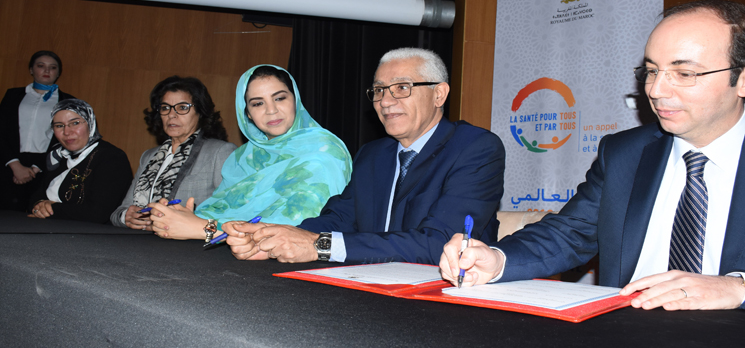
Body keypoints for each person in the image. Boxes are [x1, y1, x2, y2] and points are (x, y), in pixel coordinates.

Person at [440, 0, 745, 311]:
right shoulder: (625, 153)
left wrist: (738, 287)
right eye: (652, 71)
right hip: (624, 327)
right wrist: (497, 260)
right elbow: (569, 234)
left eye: (684, 73)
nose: (655, 90)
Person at [223, 48, 505, 265]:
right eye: (379, 90)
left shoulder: (475, 148)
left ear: (439, 94)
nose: (385, 101)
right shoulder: (373, 154)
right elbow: (339, 219)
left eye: (402, 88)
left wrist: (319, 246)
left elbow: (442, 243)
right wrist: (276, 238)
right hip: (366, 289)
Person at [146, 65, 352, 241]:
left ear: (296, 100)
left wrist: (204, 229)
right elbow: (220, 211)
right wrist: (178, 216)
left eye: (280, 98)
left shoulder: (324, 150)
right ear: (248, 114)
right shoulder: (243, 157)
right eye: (258, 103)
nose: (271, 110)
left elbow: (294, 232)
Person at [110, 76, 237, 230]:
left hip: (191, 243)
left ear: (200, 112)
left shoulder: (220, 152)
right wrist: (127, 217)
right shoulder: (149, 156)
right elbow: (118, 212)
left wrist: (190, 224)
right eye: (165, 108)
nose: (171, 114)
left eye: (182, 107)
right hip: (138, 241)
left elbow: (233, 213)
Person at [28, 99, 132, 224]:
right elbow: (35, 197)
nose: (67, 132)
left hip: (90, 233)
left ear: (90, 123)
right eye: (59, 126)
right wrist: (39, 204)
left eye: (75, 123)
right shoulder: (57, 155)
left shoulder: (111, 157)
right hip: (49, 228)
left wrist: (51, 209)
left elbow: (98, 213)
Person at [0, 51, 75, 212]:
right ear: (31, 69)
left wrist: (35, 168)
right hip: (9, 161)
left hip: (45, 165)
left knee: (34, 214)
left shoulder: (67, 101)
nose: (47, 71)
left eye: (52, 67)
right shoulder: (12, 95)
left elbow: (66, 138)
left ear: (58, 73)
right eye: (41, 66)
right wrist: (14, 164)